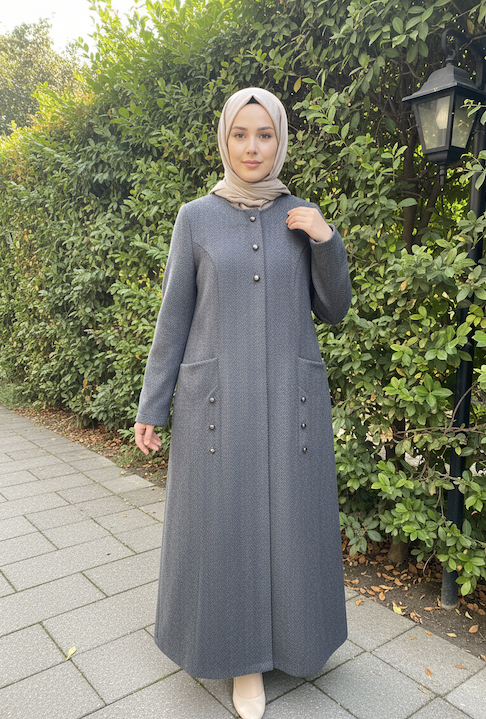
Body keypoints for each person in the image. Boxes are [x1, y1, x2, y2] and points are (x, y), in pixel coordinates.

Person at [134, 87, 352, 719]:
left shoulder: (301, 216)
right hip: (217, 404)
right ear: (224, 139)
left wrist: (326, 239)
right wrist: (153, 404)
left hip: (291, 400)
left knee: (292, 521)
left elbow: (334, 309)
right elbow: (174, 317)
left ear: (279, 141)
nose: (252, 147)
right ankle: (241, 661)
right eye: (240, 134)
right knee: (225, 525)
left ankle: (298, 643)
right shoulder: (195, 218)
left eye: (265, 135)